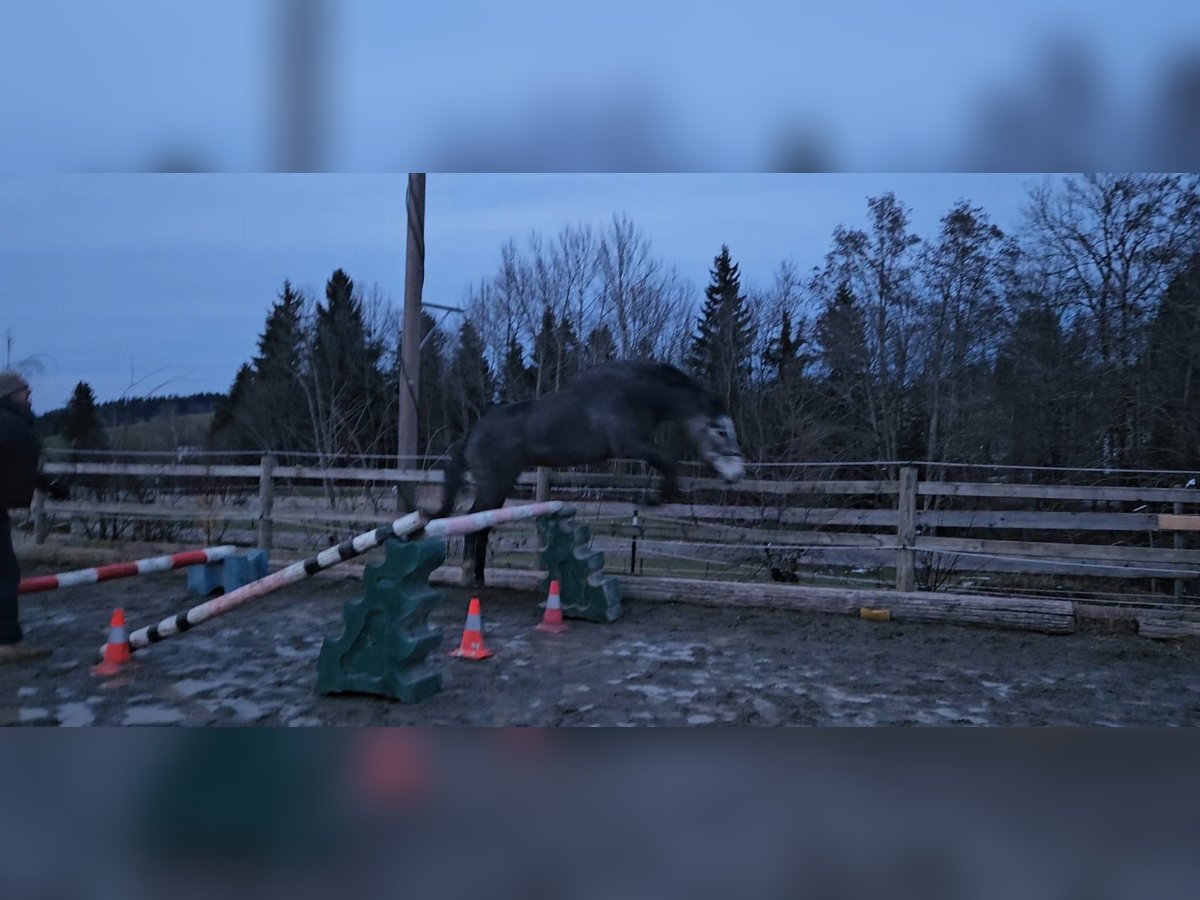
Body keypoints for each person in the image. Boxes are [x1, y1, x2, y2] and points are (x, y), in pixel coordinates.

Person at [0, 370, 59, 663]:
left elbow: (13, 467)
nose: (30, 398)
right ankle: (7, 643)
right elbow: (17, 465)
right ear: (11, 394)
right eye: (26, 392)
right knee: (5, 574)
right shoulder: (11, 426)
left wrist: (46, 484)